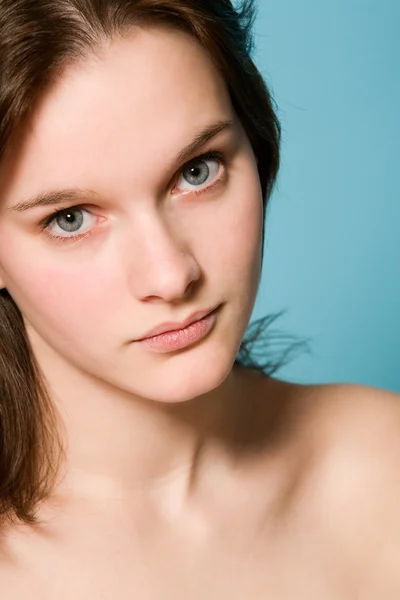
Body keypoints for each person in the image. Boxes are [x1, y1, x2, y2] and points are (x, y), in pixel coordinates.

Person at [0, 0, 399, 597]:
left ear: (256, 145)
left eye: (196, 171)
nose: (170, 274)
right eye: (71, 218)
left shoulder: (383, 466)